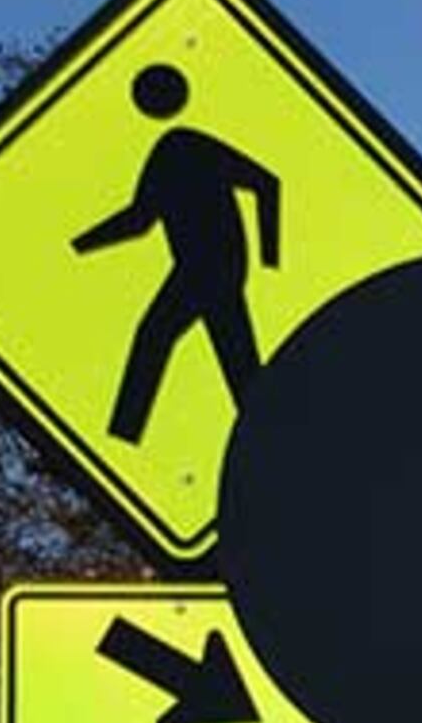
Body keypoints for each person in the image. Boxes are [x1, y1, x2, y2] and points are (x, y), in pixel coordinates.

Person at [72, 63, 281, 445]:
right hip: (199, 267)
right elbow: (140, 219)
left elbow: (266, 183)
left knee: (157, 336)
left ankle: (124, 434)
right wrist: (81, 245)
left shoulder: (186, 146)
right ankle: (274, 436)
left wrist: (271, 257)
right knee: (237, 364)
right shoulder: (168, 152)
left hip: (211, 266)